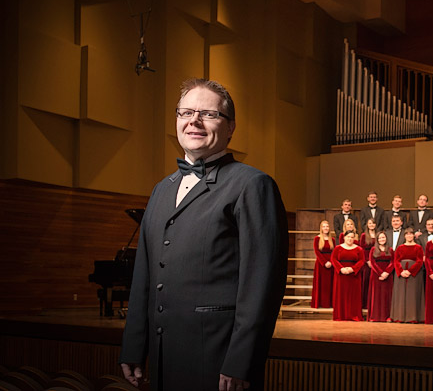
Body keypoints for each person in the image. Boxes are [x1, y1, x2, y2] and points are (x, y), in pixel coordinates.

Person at [120, 78, 288, 391]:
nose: (194, 121)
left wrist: (242, 361)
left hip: (219, 358)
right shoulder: (161, 190)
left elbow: (262, 285)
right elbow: (143, 275)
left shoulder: (253, 185)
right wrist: (134, 344)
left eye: (208, 114)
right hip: (161, 355)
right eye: (186, 113)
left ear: (231, 127)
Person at [390, 229, 425, 323]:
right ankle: (399, 316)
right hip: (401, 273)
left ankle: (412, 317)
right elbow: (396, 260)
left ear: (414, 236)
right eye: (407, 234)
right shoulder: (400, 247)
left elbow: (419, 261)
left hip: (414, 274)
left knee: (413, 295)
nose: (409, 236)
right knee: (400, 294)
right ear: (404, 236)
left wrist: (410, 271)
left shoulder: (418, 247)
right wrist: (401, 271)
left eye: (411, 234)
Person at [330, 231, 365, 321]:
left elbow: (361, 261)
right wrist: (341, 269)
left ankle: (353, 315)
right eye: (348, 237)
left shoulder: (359, 249)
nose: (350, 239)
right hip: (341, 276)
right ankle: (340, 315)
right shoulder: (338, 248)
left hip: (354, 276)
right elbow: (333, 259)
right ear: (344, 237)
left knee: (353, 296)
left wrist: (352, 269)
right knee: (341, 295)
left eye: (352, 237)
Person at [367, 232, 394, 322]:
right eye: (380, 238)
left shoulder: (390, 250)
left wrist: (386, 272)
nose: (382, 239)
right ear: (377, 240)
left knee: (387, 296)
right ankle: (375, 316)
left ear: (386, 239)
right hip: (376, 275)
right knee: (376, 295)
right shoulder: (373, 249)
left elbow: (393, 262)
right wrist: (380, 273)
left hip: (388, 276)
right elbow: (372, 263)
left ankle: (387, 316)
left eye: (383, 238)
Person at [311, 220, 334, 309]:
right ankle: (320, 303)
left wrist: (331, 262)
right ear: (321, 228)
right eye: (324, 226)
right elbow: (317, 251)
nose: (325, 228)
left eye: (327, 226)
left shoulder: (332, 239)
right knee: (321, 284)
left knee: (329, 284)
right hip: (321, 264)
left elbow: (334, 252)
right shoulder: (317, 238)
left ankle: (328, 303)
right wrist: (324, 262)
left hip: (330, 264)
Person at [359, 218, 378, 309]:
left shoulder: (378, 235)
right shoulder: (363, 235)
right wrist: (368, 260)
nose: (371, 225)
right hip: (366, 262)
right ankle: (365, 304)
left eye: (373, 223)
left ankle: (373, 303)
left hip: (375, 261)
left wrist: (373, 261)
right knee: (366, 282)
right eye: (370, 223)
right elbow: (362, 249)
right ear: (367, 225)